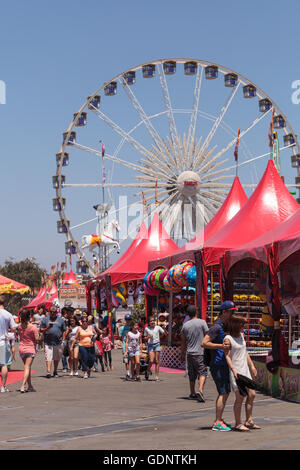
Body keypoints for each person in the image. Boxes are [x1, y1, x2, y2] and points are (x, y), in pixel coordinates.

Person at [201, 300, 237, 431]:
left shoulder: (223, 326)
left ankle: (219, 419)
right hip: (218, 364)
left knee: (225, 392)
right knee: (223, 392)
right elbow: (204, 343)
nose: (233, 314)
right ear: (224, 312)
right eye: (232, 312)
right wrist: (221, 346)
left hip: (222, 363)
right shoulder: (216, 327)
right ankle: (217, 422)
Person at [224, 314, 260, 431]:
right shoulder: (227, 339)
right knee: (240, 396)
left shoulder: (241, 336)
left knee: (252, 394)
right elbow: (227, 356)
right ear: (234, 324)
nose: (243, 326)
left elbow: (245, 352)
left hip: (245, 369)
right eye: (241, 324)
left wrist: (252, 366)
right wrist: (233, 369)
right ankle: (238, 423)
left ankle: (249, 420)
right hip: (236, 371)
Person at [181, 305, 209, 402]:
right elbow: (207, 335)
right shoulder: (202, 323)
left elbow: (183, 341)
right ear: (196, 312)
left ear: (188, 314)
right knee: (202, 372)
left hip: (190, 353)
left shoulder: (185, 325)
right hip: (200, 352)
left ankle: (192, 393)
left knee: (191, 374)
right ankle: (200, 389)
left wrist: (182, 352)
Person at [40, 305, 67, 378]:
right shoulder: (45, 320)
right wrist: (47, 328)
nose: (52, 313)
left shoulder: (61, 320)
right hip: (48, 342)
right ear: (49, 312)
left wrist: (63, 340)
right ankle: (48, 371)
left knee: (56, 357)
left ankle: (55, 371)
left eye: (54, 312)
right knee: (48, 357)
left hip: (58, 342)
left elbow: (64, 330)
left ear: (56, 312)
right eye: (51, 312)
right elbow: (41, 330)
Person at [18, 310, 39, 392]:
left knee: (28, 367)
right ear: (29, 316)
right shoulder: (33, 327)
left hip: (22, 348)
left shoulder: (19, 326)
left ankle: (30, 386)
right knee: (27, 367)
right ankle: (23, 385)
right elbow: (37, 339)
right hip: (30, 348)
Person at [0, 296, 17, 392]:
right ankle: (3, 386)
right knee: (4, 364)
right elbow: (13, 328)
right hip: (3, 341)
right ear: (5, 303)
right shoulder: (8, 314)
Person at [144, 316, 167, 381]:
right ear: (148, 322)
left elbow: (164, 334)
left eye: (153, 320)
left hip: (157, 344)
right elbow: (144, 338)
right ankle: (147, 371)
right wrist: (148, 336)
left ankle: (156, 376)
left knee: (157, 361)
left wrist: (164, 330)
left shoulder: (158, 327)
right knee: (151, 360)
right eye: (151, 321)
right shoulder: (146, 329)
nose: (152, 322)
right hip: (150, 345)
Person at [119, 314, 132, 381]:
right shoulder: (122, 328)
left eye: (129, 319)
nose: (128, 321)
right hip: (125, 346)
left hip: (132, 345)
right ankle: (128, 374)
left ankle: (134, 372)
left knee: (133, 360)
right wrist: (124, 342)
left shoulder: (132, 327)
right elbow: (120, 337)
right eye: (127, 319)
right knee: (126, 361)